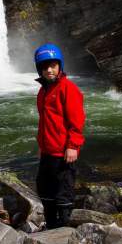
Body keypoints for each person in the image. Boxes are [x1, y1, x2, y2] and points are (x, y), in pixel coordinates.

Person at [34, 43, 86, 229]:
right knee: (45, 189)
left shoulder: (68, 88)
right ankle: (50, 225)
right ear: (39, 69)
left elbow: (76, 120)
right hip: (48, 151)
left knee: (63, 192)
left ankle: (63, 230)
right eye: (45, 66)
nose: (49, 70)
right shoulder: (43, 91)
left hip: (63, 152)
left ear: (60, 66)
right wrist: (41, 145)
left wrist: (73, 145)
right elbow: (44, 123)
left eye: (53, 66)